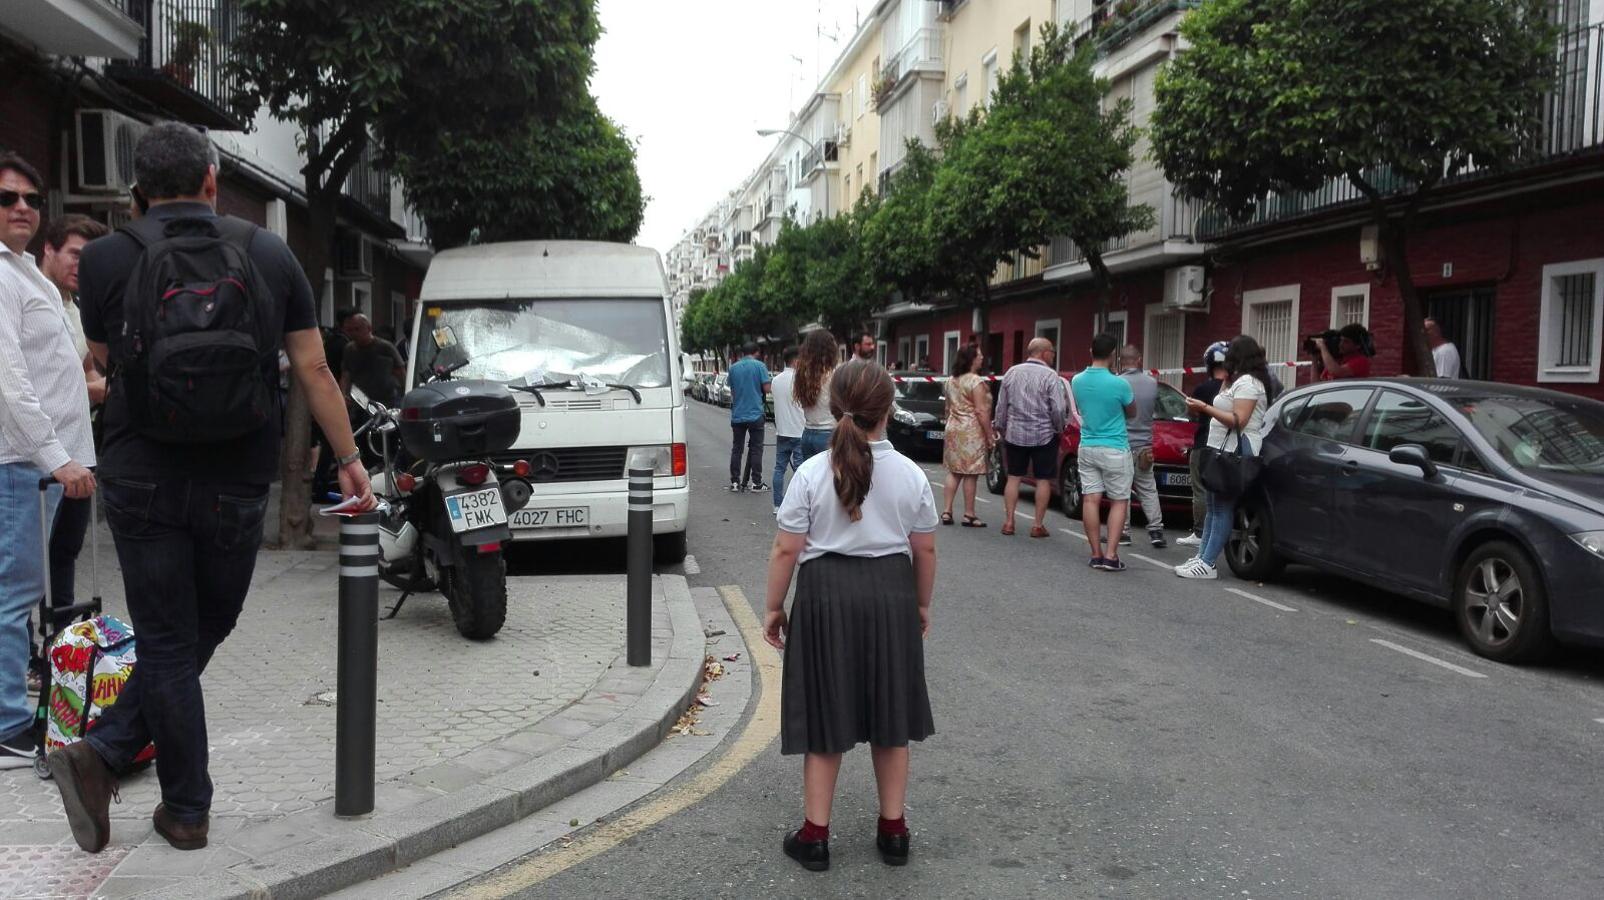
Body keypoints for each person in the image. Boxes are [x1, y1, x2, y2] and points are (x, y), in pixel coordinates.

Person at [52, 122, 374, 853]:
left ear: (136, 194)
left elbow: (107, 358)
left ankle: (108, 761)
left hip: (140, 475)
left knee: (169, 640)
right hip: (236, 478)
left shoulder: (102, 259)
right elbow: (315, 370)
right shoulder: (267, 251)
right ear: (211, 181)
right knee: (202, 629)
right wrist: (348, 457)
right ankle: (176, 804)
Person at [764, 359, 937, 872]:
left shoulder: (812, 473)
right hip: (891, 594)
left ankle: (815, 836)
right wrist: (921, 604)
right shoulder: (911, 474)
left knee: (825, 713)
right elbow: (924, 551)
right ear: (889, 410)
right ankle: (894, 831)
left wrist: (774, 607)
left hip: (825, 595)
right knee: (891, 716)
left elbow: (784, 550)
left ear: (835, 406)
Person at [0, 153, 98, 770]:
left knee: (23, 591)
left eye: (32, 199)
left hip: (47, 468)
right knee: (14, 595)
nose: (22, 208)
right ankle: (9, 724)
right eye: (7, 198)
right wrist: (59, 460)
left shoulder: (25, 273)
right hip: (22, 465)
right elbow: (10, 382)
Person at [38, 216, 111, 616]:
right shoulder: (27, 296)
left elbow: (83, 374)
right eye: (75, 255)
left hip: (79, 450)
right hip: (36, 454)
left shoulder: (77, 307)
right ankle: (27, 654)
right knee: (30, 562)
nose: (82, 267)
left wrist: (113, 387)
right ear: (48, 249)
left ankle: (60, 646)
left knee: (65, 551)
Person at [1177, 335, 1274, 580]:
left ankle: (1208, 563)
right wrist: (1225, 382)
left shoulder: (1250, 384)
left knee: (1221, 507)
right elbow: (1224, 401)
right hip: (1221, 447)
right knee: (1212, 506)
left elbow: (1239, 419)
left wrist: (1205, 408)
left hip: (1235, 449)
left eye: (1230, 356)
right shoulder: (1237, 381)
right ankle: (1202, 556)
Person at [1071, 334, 1135, 571]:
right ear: (1112, 355)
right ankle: (1111, 556)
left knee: (1090, 499)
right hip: (1115, 447)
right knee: (1119, 501)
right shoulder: (1120, 384)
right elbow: (1132, 412)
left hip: (1087, 445)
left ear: (1090, 351)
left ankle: (1096, 553)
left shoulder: (1077, 380)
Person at [993, 337, 1067, 538]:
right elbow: (1059, 408)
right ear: (1043, 353)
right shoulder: (1051, 376)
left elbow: (1002, 405)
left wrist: (1000, 426)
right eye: (1052, 351)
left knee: (1014, 477)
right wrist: (1059, 427)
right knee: (1043, 479)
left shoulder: (1011, 372)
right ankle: (1037, 524)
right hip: (1043, 435)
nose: (1053, 354)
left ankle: (1009, 522)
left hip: (1015, 433)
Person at [1176, 342, 1229, 548]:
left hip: (1203, 443)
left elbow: (1191, 414)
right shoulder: (1234, 389)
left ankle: (1199, 532)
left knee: (1200, 490)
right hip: (1226, 446)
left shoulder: (1202, 389)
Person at [1117, 345, 1166, 548]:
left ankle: (1123, 532)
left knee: (1122, 490)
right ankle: (1156, 531)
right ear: (1139, 360)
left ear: (1121, 361)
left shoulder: (1117, 383)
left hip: (1123, 444)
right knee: (1148, 489)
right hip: (1145, 445)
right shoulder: (1152, 383)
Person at [940, 345, 993, 527]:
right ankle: (969, 514)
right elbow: (980, 410)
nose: (982, 357)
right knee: (971, 473)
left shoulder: (950, 381)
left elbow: (947, 408)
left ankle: (947, 511)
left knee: (954, 471)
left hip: (953, 428)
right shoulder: (975, 382)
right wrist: (990, 435)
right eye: (979, 355)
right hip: (971, 431)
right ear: (971, 359)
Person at [727, 342, 771, 492]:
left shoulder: (733, 368)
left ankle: (734, 481)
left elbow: (733, 392)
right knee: (756, 449)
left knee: (737, 449)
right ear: (756, 352)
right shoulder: (760, 366)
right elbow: (767, 388)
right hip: (755, 414)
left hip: (738, 414)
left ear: (741, 353)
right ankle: (756, 483)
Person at [339, 312, 405, 408]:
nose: (354, 333)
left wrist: (406, 393)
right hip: (360, 401)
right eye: (350, 330)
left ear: (369, 328)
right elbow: (345, 375)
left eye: (358, 329)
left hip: (385, 400)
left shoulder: (385, 347)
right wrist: (344, 394)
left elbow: (401, 372)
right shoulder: (349, 350)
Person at [794, 329, 838, 462]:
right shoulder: (834, 374)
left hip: (807, 433)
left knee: (813, 480)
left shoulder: (802, 375)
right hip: (828, 434)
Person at [769, 347, 803, 513]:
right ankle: (798, 503)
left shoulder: (775, 381)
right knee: (801, 471)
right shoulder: (801, 380)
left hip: (782, 431)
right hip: (800, 430)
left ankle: (777, 504)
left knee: (779, 469)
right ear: (796, 361)